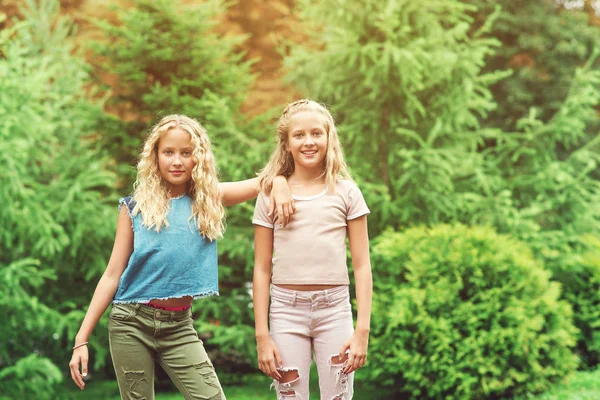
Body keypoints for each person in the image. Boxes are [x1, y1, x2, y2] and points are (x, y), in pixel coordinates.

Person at [68, 114, 294, 400]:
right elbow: (113, 274)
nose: (177, 161)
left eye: (186, 153)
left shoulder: (208, 199)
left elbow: (263, 182)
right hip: (131, 323)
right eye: (168, 153)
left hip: (179, 327)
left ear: (198, 158)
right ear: (155, 157)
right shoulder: (134, 208)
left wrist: (281, 185)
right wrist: (81, 338)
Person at [252, 99, 373, 400]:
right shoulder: (270, 195)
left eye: (317, 133)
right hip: (285, 311)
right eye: (299, 135)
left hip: (335, 311)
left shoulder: (347, 192)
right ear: (287, 143)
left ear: (329, 138)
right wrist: (262, 335)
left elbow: (362, 265)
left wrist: (362, 331)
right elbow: (261, 268)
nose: (309, 141)